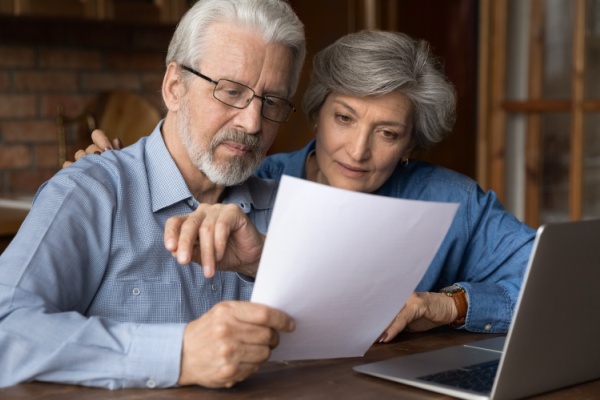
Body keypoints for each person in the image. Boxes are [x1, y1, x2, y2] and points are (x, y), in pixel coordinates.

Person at [82, 30, 536, 343]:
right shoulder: (252, 182)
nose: (358, 151)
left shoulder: (453, 200)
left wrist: (447, 306)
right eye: (344, 118)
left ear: (410, 146)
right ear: (316, 112)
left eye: (388, 133)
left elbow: (554, 285)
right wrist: (121, 174)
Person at [0, 0, 306, 390]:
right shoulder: (91, 192)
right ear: (175, 87)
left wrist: (266, 263)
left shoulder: (289, 209)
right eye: (231, 92)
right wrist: (179, 354)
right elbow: (6, 328)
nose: (252, 122)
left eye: (273, 102)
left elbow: (353, 325)